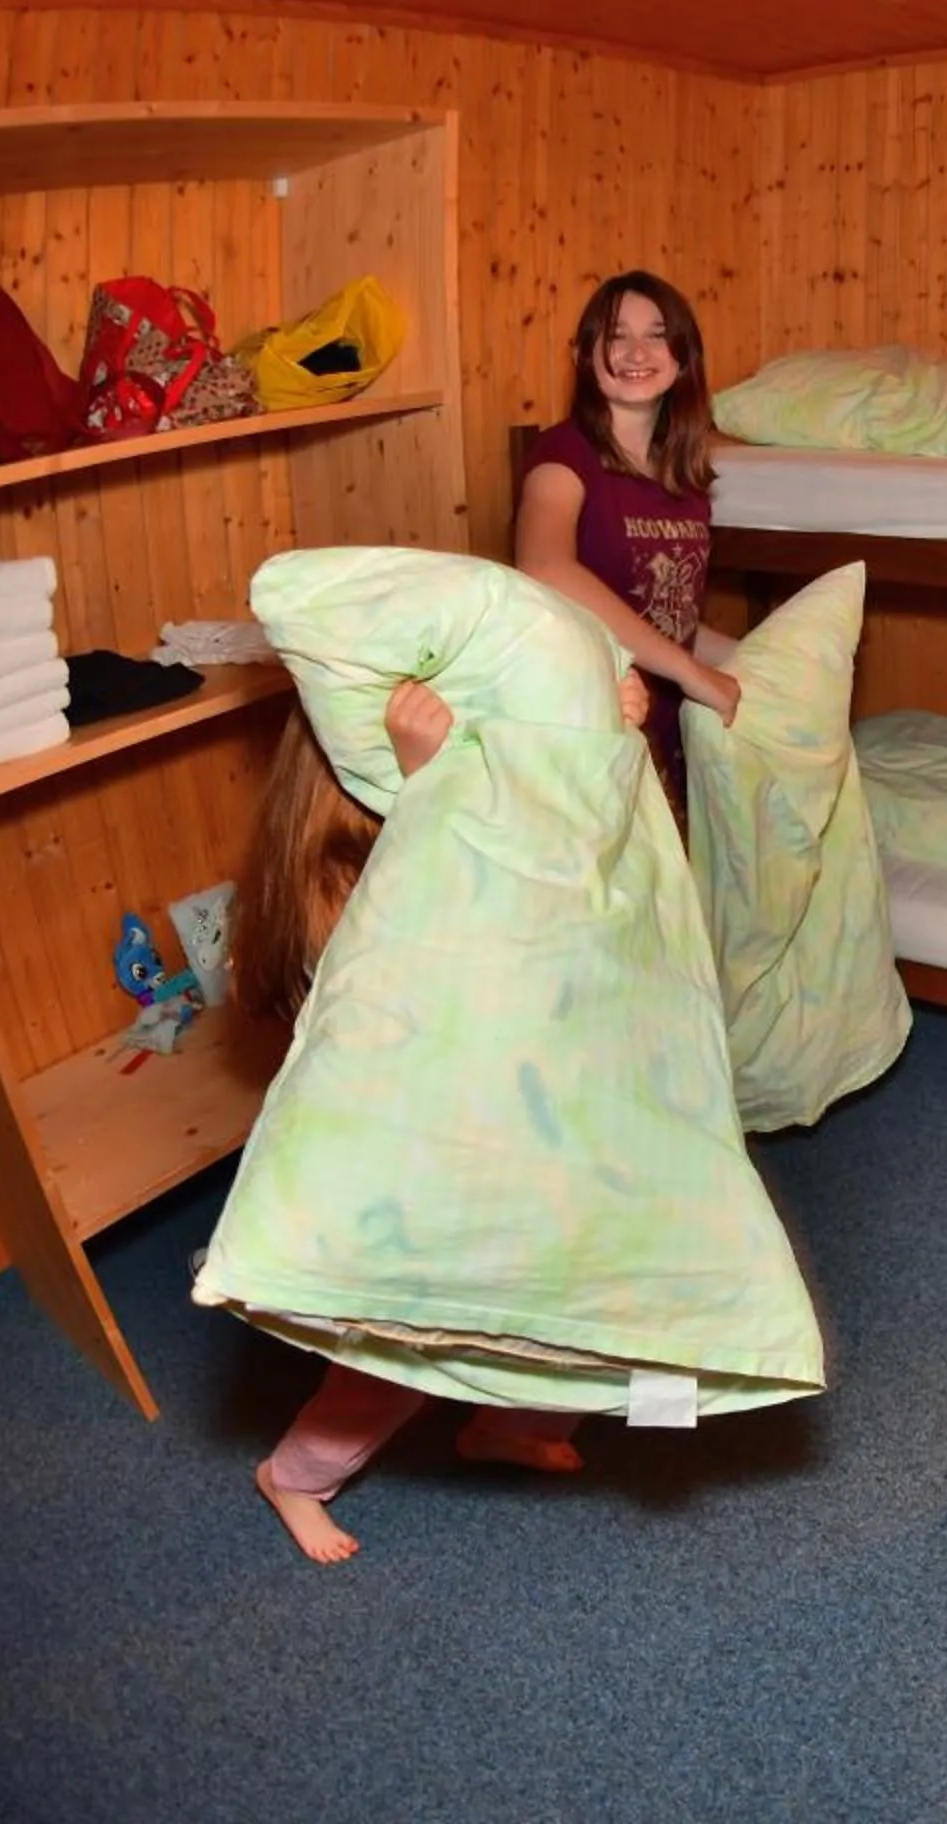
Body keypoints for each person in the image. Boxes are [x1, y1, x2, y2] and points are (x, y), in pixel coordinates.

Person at [235, 666, 652, 1566]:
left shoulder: (484, 828)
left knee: (572, 1313)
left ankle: (506, 1426)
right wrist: (429, 794)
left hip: (521, 1131)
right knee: (398, 1360)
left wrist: (605, 746)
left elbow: (570, 881)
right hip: (417, 1172)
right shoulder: (343, 875)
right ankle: (295, 1476)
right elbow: (422, 960)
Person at [514, 270, 739, 815]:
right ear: (584, 355)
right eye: (616, 335)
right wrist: (689, 672)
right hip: (593, 729)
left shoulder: (684, 482)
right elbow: (544, 569)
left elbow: (668, 616)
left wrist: (749, 661)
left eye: (657, 334)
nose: (637, 351)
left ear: (682, 357)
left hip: (669, 740)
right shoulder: (562, 455)